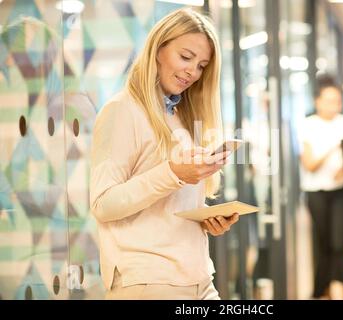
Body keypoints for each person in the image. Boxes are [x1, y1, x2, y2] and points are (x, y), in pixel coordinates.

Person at [89, 8, 239, 300]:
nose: (192, 72)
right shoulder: (121, 111)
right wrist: (172, 173)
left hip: (199, 278)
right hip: (149, 283)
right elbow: (103, 204)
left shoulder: (181, 116)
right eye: (186, 57)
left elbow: (166, 208)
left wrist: (206, 219)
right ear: (158, 49)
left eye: (201, 66)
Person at [299, 75, 343, 299]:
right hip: (316, 193)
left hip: (342, 192)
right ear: (318, 102)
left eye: (337, 101)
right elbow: (309, 165)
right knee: (324, 245)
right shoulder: (308, 125)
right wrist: (332, 147)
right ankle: (326, 290)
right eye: (329, 101)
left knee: (338, 244)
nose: (334, 105)